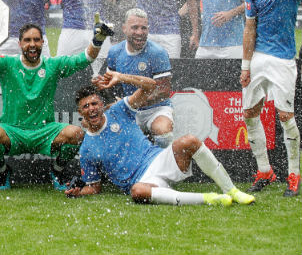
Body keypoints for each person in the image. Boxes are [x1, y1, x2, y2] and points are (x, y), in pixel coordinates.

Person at [0, 9, 111, 190]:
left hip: (45, 131)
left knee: (76, 134)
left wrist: (97, 40)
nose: (32, 44)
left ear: (42, 42)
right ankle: (3, 170)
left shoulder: (52, 65)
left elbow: (85, 58)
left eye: (36, 40)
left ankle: (57, 169)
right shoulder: (8, 64)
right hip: (13, 130)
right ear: (20, 43)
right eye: (27, 40)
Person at [66, 82, 256, 206]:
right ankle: (210, 199)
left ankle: (232, 190)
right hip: (142, 182)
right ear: (80, 112)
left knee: (189, 140)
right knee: (137, 192)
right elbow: (94, 187)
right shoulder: (87, 149)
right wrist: (78, 192)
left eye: (94, 104)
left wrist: (120, 77)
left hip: (159, 158)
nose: (91, 109)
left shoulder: (118, 110)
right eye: (86, 106)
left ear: (101, 104)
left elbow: (150, 86)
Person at [241, 0, 301, 197]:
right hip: (258, 60)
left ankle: (294, 173)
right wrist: (245, 65)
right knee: (250, 113)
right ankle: (265, 170)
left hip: (283, 60)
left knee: (285, 116)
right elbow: (250, 28)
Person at [105, 8, 174, 148]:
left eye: (144, 28)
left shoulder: (158, 52)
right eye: (134, 27)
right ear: (124, 28)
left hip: (156, 109)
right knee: (109, 133)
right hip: (128, 110)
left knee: (164, 134)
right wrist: (114, 100)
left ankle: (162, 165)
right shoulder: (114, 52)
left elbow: (164, 91)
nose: (140, 32)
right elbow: (109, 85)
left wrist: (133, 102)